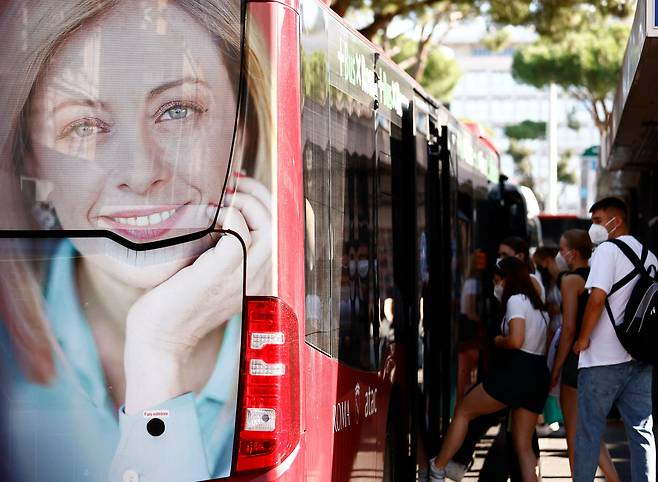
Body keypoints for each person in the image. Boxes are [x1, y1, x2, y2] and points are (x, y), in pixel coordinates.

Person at [0, 1, 273, 481]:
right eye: (83, 126)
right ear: (32, 160)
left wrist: (158, 349)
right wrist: (161, 354)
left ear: (243, 132)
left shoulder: (308, 335)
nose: (141, 173)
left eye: (177, 111)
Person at [430, 257, 549, 482]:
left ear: (508, 279)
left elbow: (515, 340)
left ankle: (438, 467)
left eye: (497, 280)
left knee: (464, 410)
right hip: (537, 373)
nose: (496, 286)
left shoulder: (515, 300)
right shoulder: (539, 307)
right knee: (524, 447)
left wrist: (498, 340)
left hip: (517, 371)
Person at [573, 197, 657, 482]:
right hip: (640, 356)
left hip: (602, 359)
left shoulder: (607, 250)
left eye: (597, 221)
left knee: (588, 432)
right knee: (641, 432)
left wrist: (583, 339)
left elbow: (596, 299)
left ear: (615, 220)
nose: (593, 228)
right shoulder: (650, 256)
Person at [549, 230, 619, 481]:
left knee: (575, 433)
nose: (560, 254)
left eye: (562, 249)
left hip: (575, 361)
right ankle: (614, 479)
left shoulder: (570, 280)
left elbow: (568, 329)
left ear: (573, 253)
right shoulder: (598, 276)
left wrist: (555, 369)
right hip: (599, 358)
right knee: (592, 432)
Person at [499, 236, 546, 302]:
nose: (501, 259)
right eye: (500, 255)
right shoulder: (511, 279)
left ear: (520, 256)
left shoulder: (531, 280)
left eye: (505, 255)